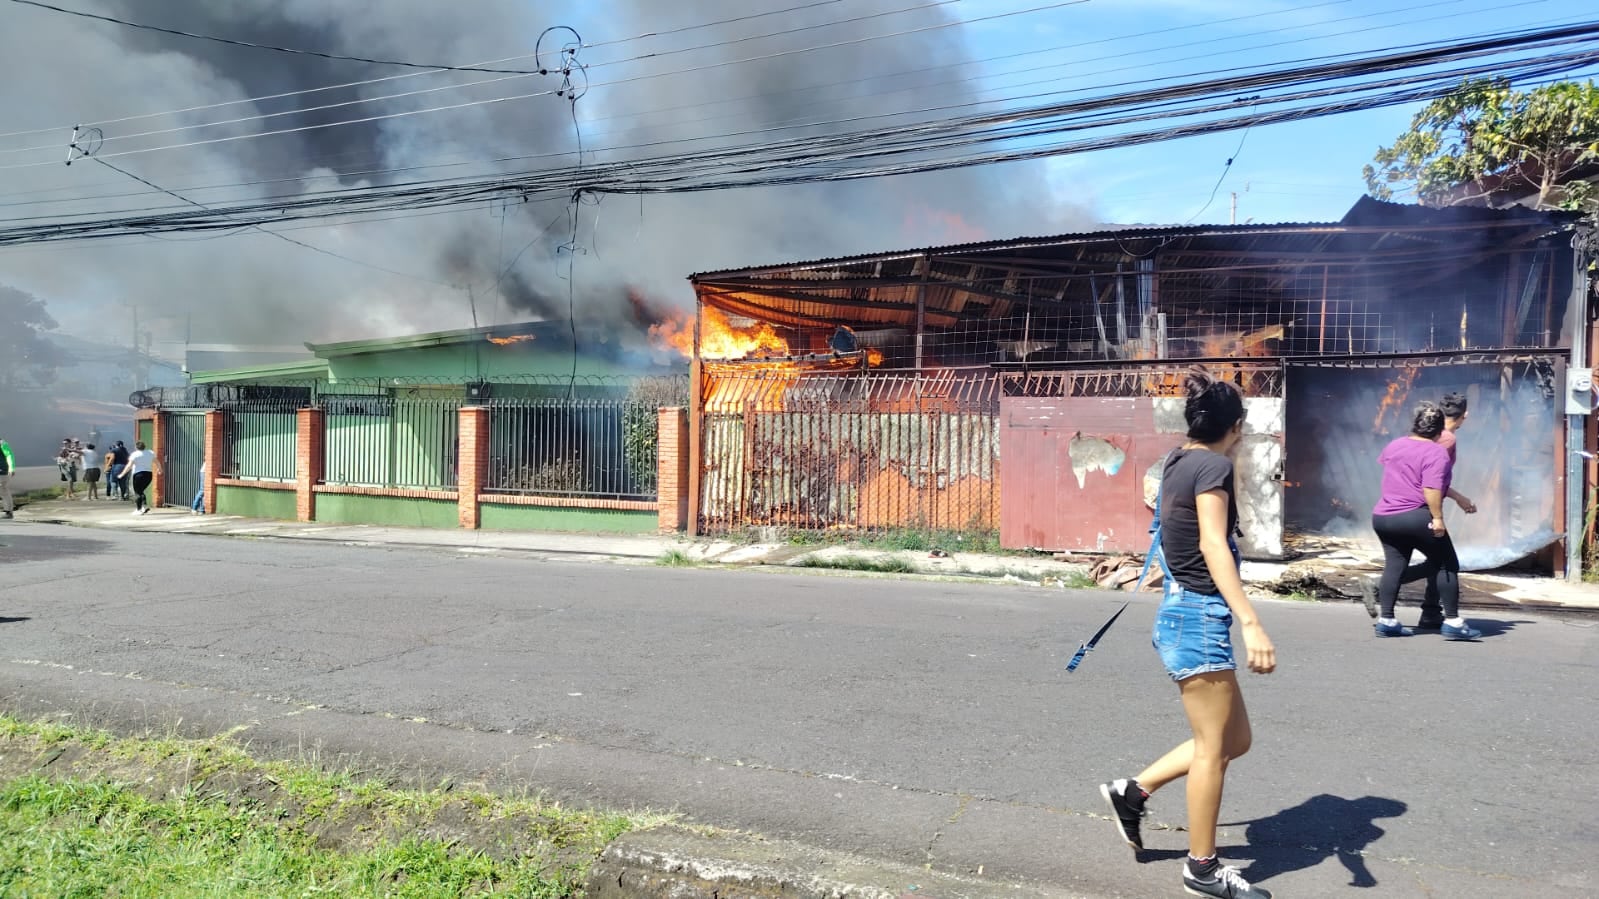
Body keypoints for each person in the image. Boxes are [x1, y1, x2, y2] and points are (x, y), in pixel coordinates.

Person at [1099, 367, 1278, 899]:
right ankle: (1202, 870)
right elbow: (1212, 544)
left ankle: (1132, 793)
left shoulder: (1179, 459)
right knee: (1212, 750)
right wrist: (1251, 621)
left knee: (1233, 740)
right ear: (1237, 426)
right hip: (1199, 616)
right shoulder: (1213, 467)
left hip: (1185, 611)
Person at [1359, 393, 1476, 628]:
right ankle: (1452, 622)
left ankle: (1388, 621)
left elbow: (1400, 472)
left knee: (1396, 563)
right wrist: (1438, 517)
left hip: (1383, 515)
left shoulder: (1395, 444)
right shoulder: (1441, 446)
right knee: (1446, 563)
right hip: (1416, 513)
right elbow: (1431, 485)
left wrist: (1455, 497)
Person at [120, 441, 158, 515]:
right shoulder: (150, 453)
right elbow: (157, 462)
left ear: (136, 447)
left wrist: (122, 474)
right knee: (141, 491)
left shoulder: (134, 454)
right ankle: (143, 506)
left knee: (138, 492)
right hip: (148, 474)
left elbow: (129, 466)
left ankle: (138, 509)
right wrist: (160, 469)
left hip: (138, 475)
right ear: (144, 446)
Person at [0, 436, 15, 520]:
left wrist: (11, 468)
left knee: (3, 490)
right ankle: (8, 511)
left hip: (2, 471)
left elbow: (9, 455)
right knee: (3, 490)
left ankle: (8, 512)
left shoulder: (2, 444)